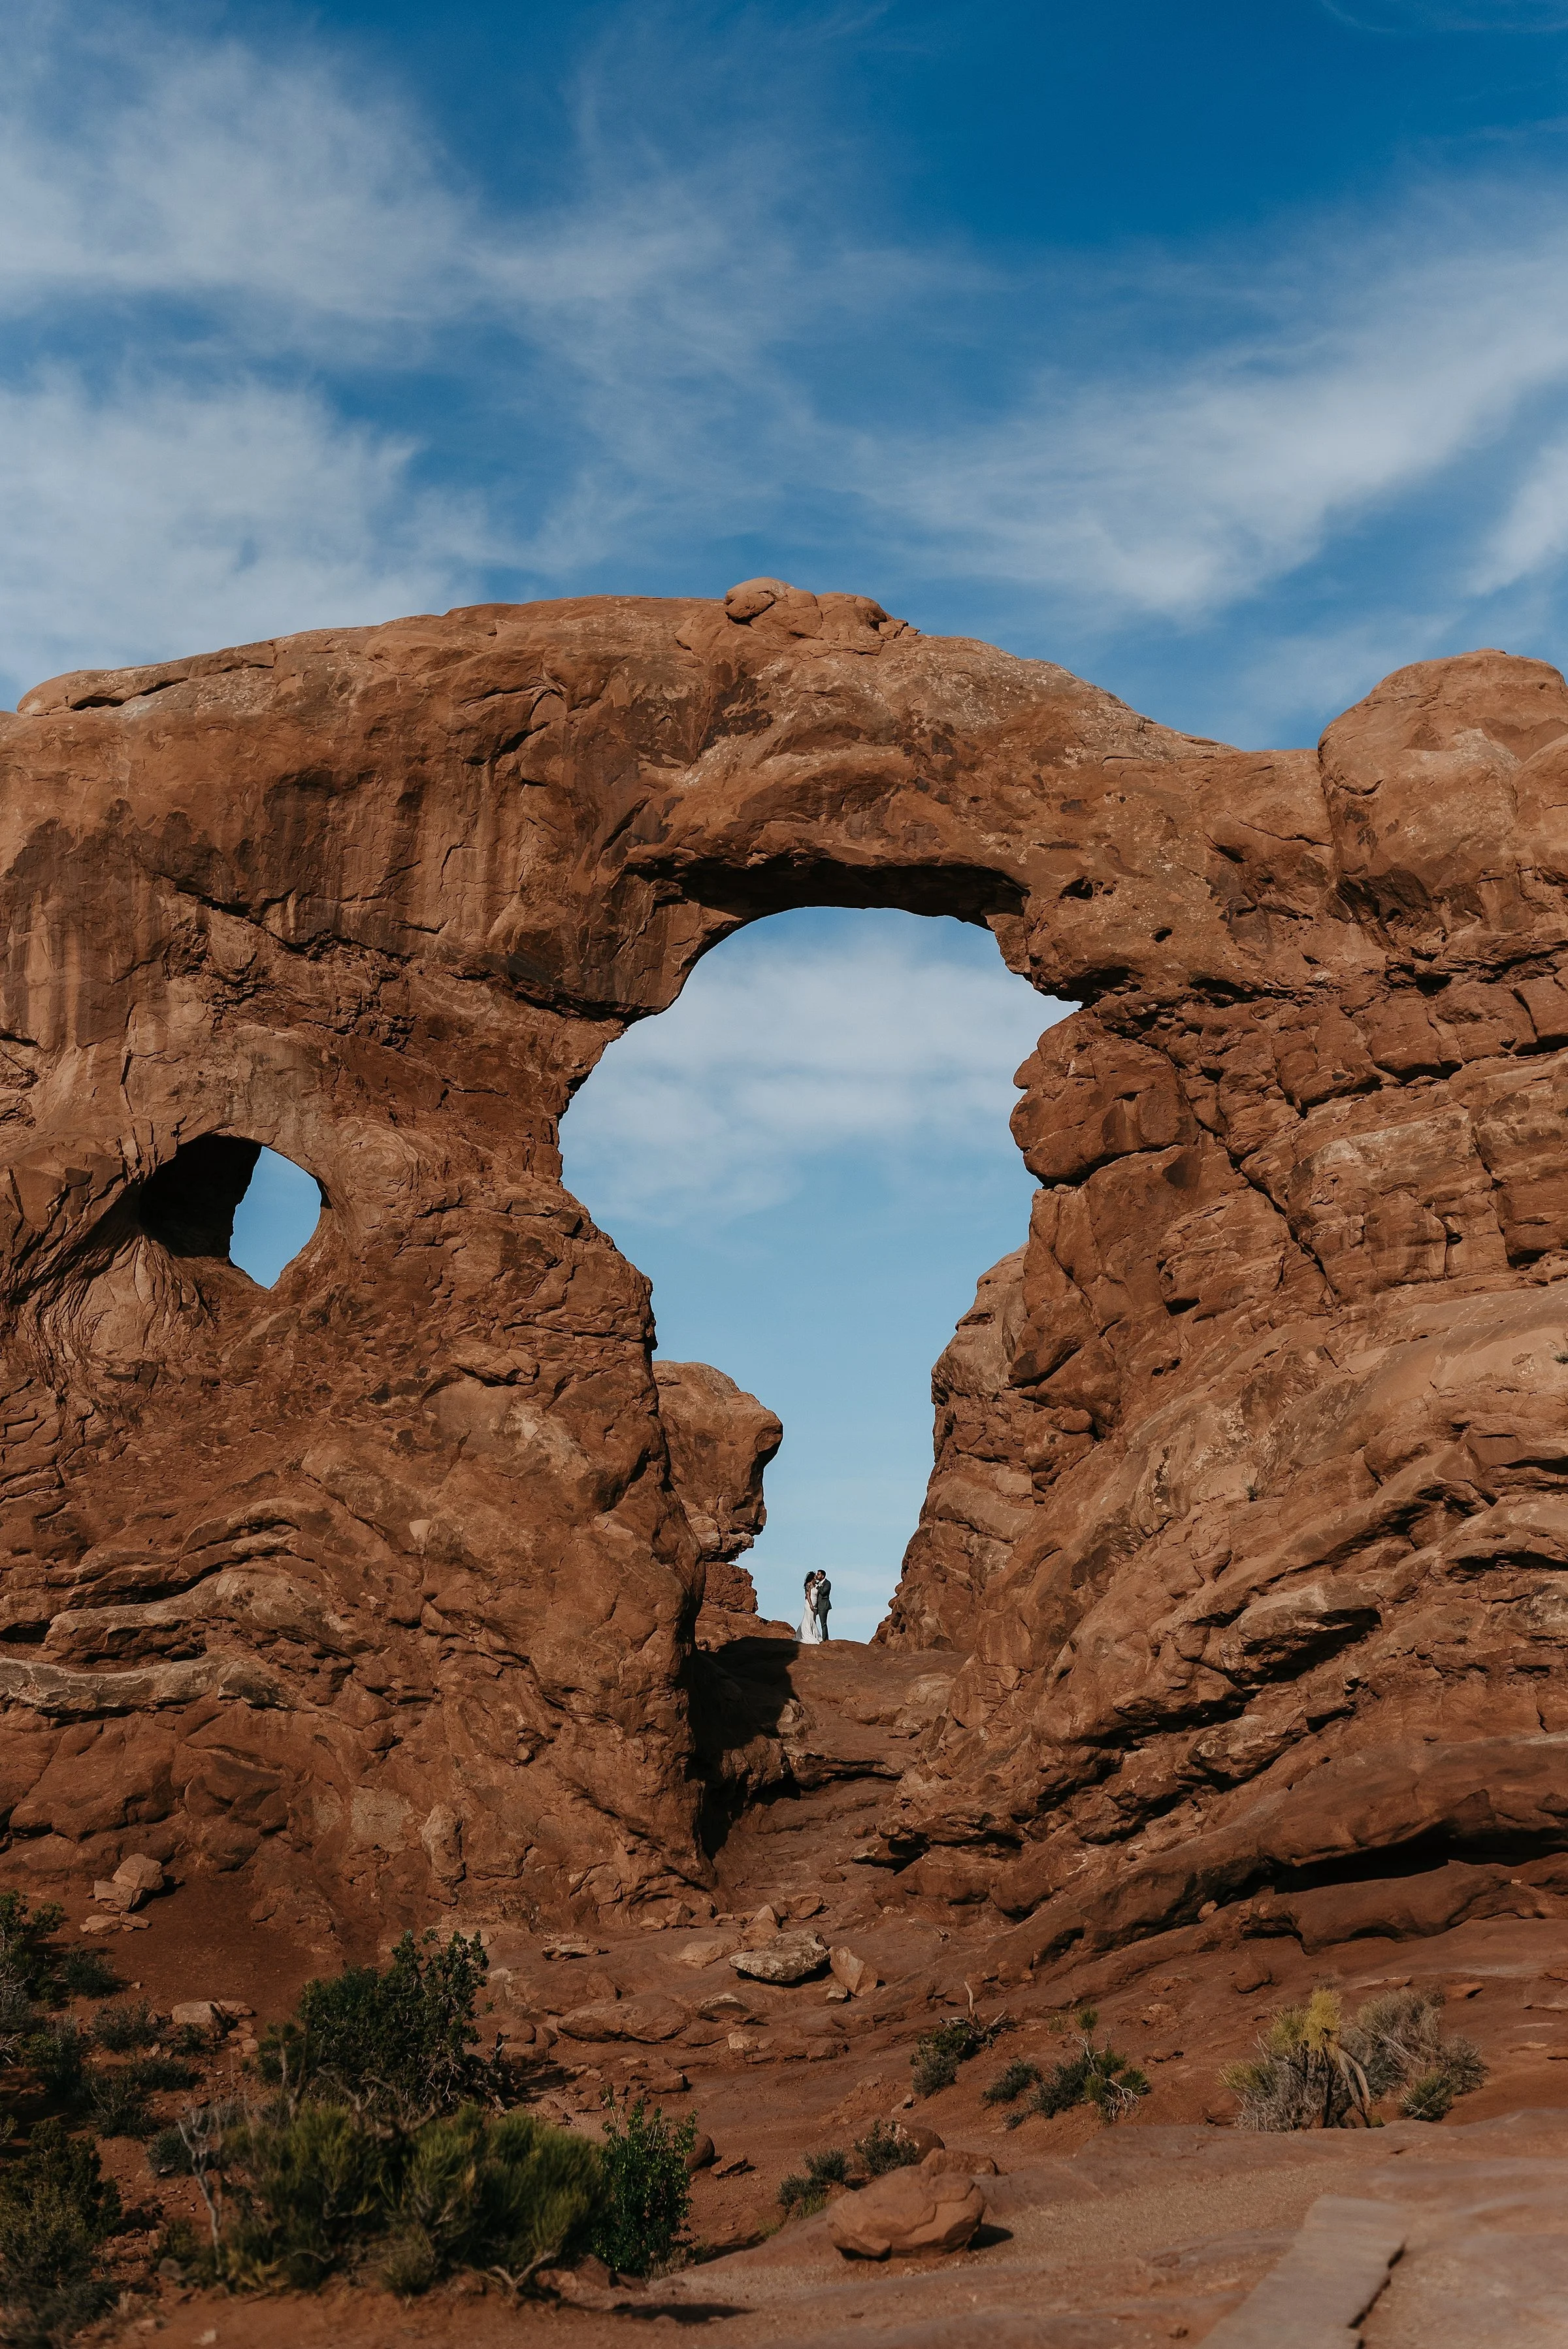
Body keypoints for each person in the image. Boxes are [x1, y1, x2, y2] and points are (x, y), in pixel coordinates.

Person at [798, 1570, 826, 1644]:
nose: (816, 1576)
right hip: (810, 1604)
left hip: (815, 1604)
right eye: (815, 1576)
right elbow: (808, 1595)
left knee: (813, 1619)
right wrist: (810, 1604)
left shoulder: (815, 1585)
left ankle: (813, 1634)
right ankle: (808, 1634)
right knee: (809, 1619)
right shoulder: (809, 1585)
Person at [813, 1572, 832, 1641]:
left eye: (819, 1574)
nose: (817, 1576)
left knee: (823, 1623)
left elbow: (824, 1592)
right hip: (816, 1605)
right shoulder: (817, 1583)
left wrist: (818, 1587)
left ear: (823, 1576)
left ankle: (825, 1639)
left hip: (823, 1605)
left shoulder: (827, 1583)